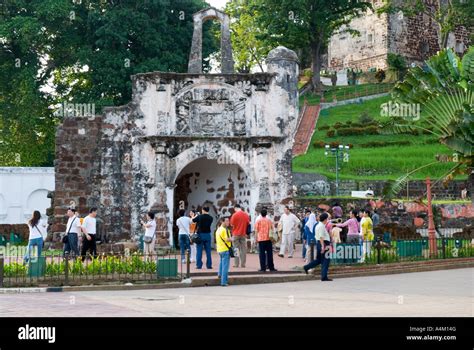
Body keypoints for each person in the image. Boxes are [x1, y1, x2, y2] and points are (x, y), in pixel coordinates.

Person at [303, 212, 332, 281]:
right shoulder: (321, 226)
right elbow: (321, 237)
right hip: (324, 243)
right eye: (327, 219)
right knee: (326, 260)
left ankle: (306, 267)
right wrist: (323, 246)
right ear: (325, 219)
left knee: (319, 260)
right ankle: (324, 276)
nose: (327, 220)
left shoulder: (317, 225)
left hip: (319, 243)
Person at [230, 204, 250, 268]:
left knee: (236, 249)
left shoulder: (234, 215)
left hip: (236, 234)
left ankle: (236, 264)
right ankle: (243, 264)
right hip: (243, 234)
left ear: (235, 208)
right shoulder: (246, 215)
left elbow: (232, 224)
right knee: (243, 249)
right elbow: (248, 224)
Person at [215, 216, 232, 286]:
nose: (228, 222)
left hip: (220, 249)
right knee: (225, 266)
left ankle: (219, 274)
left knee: (221, 263)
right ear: (222, 222)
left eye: (228, 221)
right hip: (225, 249)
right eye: (226, 221)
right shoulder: (224, 230)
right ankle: (223, 282)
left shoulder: (218, 229)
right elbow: (227, 239)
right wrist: (232, 239)